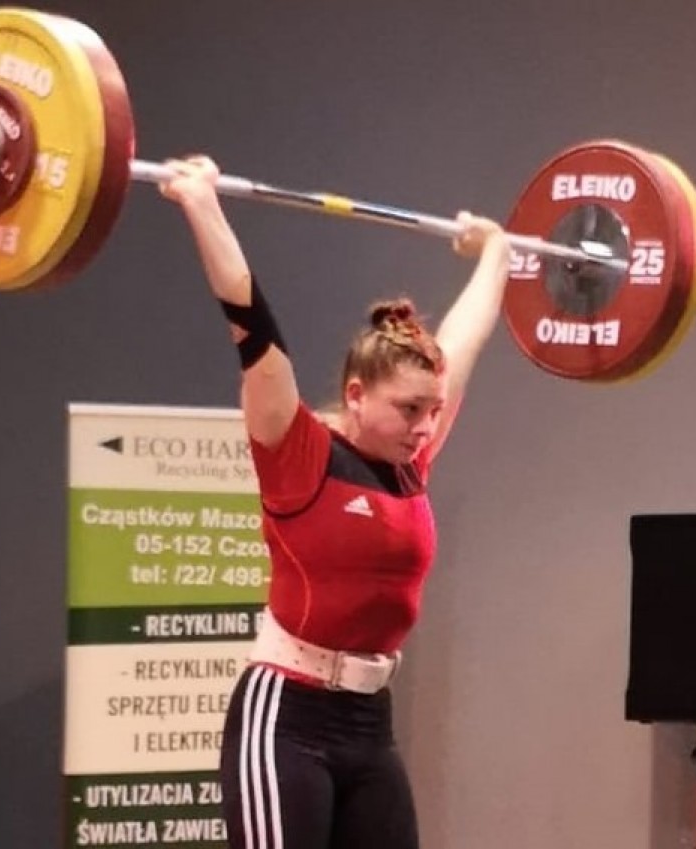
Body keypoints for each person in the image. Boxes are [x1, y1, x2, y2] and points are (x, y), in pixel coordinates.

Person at [158, 155, 511, 849]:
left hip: (368, 724)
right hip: (285, 718)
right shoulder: (298, 453)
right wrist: (201, 203)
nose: (426, 426)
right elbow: (251, 323)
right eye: (408, 409)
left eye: (433, 411)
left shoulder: (412, 464)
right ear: (356, 394)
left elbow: (467, 335)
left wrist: (495, 250)